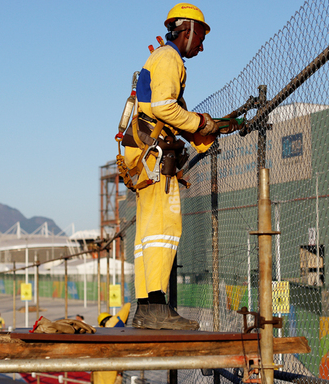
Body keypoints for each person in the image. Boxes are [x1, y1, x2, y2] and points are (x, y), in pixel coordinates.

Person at [121, 3, 236, 331]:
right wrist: (204, 122)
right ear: (187, 30)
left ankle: (147, 308)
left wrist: (212, 130)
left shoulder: (159, 59)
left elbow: (170, 116)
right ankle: (156, 307)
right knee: (165, 229)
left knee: (147, 234)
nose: (202, 43)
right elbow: (164, 107)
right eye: (201, 34)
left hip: (143, 155)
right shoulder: (169, 59)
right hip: (154, 159)